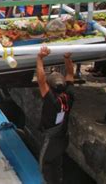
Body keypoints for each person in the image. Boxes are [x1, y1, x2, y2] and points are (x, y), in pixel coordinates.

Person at [36, 47, 75, 184]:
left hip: (50, 140)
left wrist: (40, 58)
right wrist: (67, 58)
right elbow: (70, 73)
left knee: (45, 165)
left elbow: (41, 79)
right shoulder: (69, 95)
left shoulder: (51, 100)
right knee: (57, 165)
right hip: (63, 138)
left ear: (50, 86)